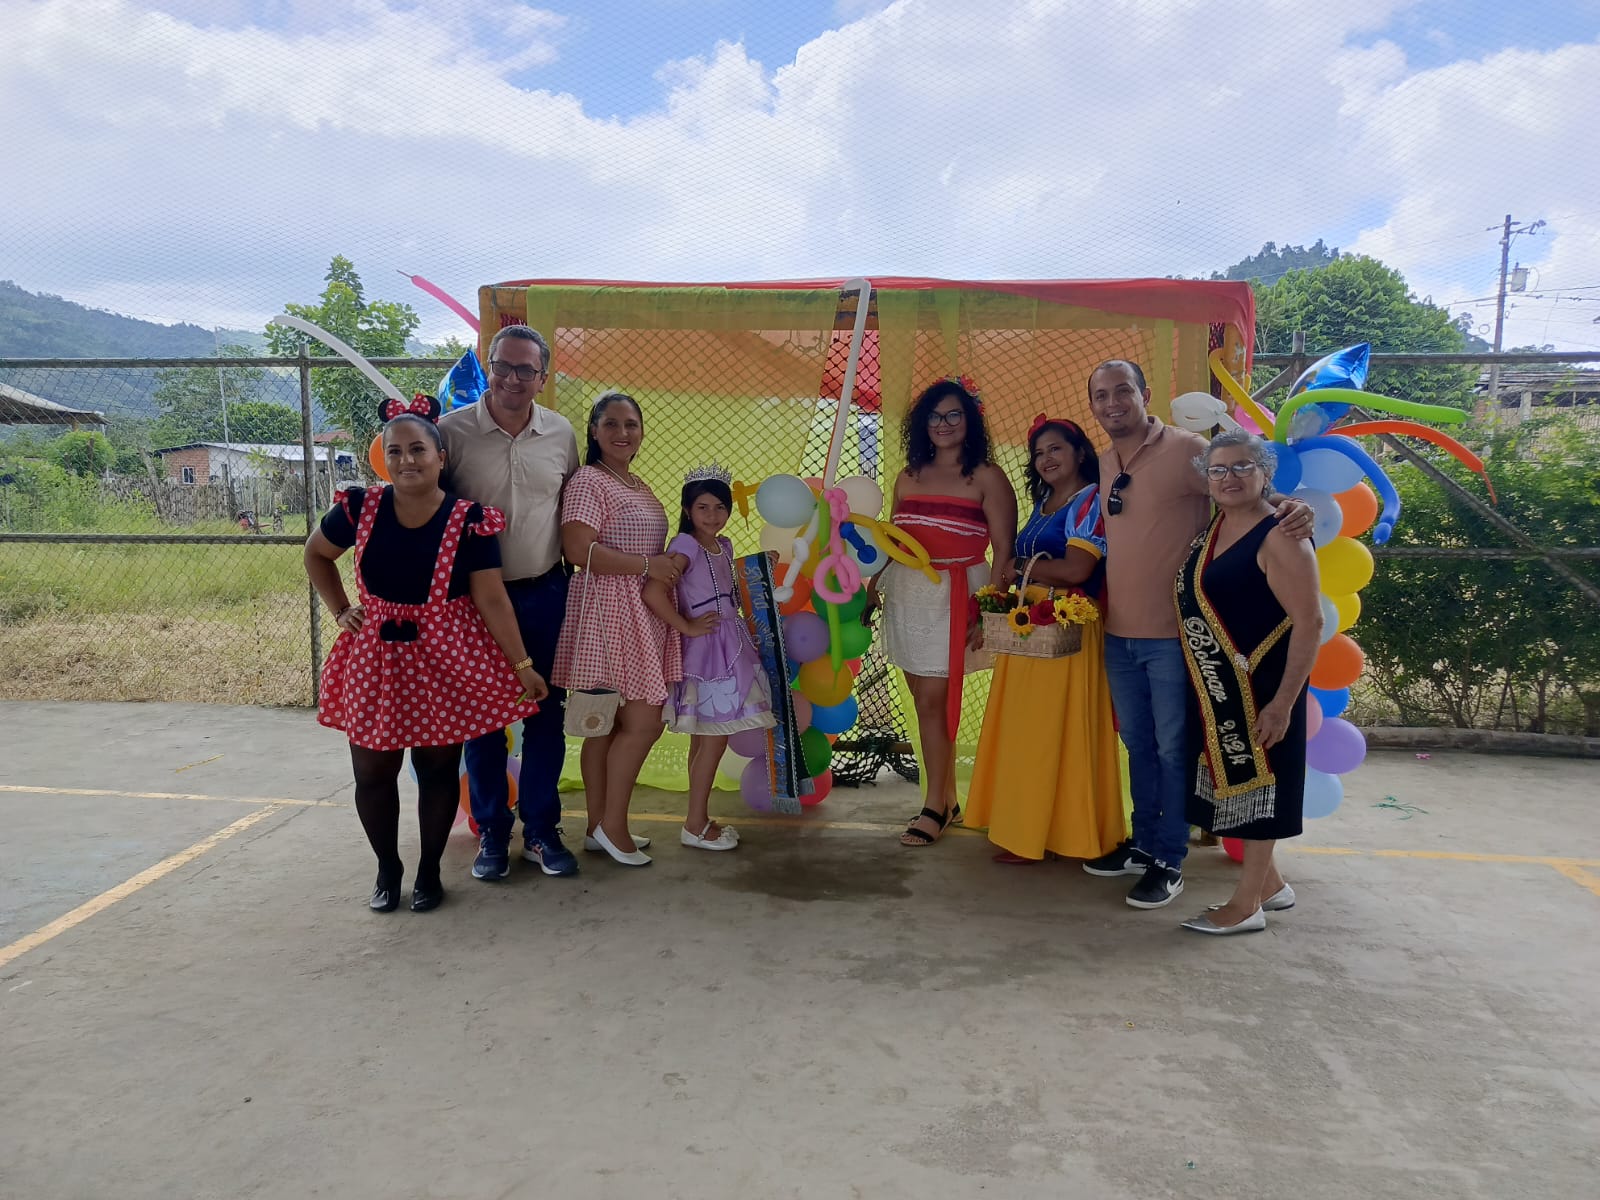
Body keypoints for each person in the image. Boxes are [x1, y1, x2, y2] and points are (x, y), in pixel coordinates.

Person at [1081, 360, 1314, 910]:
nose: (1112, 403)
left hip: (1174, 639)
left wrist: (1291, 507)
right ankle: (1144, 843)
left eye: (1123, 391)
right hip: (1119, 634)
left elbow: (1243, 487)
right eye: (1101, 395)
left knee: (1173, 751)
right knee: (1138, 745)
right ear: (1092, 405)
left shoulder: (1186, 448)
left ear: (1144, 394)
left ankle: (1169, 859)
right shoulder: (1104, 459)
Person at [305, 396, 549, 913]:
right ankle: (387, 869)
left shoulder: (469, 521)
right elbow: (316, 554)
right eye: (395, 451)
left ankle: (429, 871)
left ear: (441, 457)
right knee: (373, 773)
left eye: (418, 449)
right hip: (375, 661)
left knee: (437, 771)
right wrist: (342, 609)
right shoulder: (359, 508)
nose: (406, 460)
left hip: (445, 661)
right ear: (383, 458)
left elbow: (491, 598)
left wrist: (522, 665)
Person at [439, 325, 582, 883]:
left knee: (547, 716)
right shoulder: (451, 433)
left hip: (547, 593)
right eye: (503, 365)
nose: (512, 378)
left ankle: (542, 831)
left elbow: (572, 508)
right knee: (484, 721)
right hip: (475, 603)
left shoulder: (561, 433)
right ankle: (492, 832)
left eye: (526, 369)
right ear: (488, 365)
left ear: (542, 378)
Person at [1175, 431, 1322, 935]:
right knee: (1234, 788)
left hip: (1265, 687)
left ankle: (1246, 906)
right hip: (1218, 687)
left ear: (1265, 474)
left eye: (1243, 467)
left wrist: (1283, 703)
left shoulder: (1281, 534)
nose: (1230, 477)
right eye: (1218, 469)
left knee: (1262, 790)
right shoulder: (1217, 527)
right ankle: (1272, 886)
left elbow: (1310, 622)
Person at [965, 416, 1124, 864]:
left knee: (1053, 733)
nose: (1046, 459)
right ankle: (1028, 828)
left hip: (1066, 626)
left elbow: (1077, 569)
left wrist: (1019, 568)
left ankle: (1054, 834)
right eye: (1038, 453)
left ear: (1079, 453)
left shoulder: (1089, 500)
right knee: (1026, 732)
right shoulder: (1045, 503)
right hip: (1031, 627)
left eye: (1055, 449)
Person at [867, 377, 1016, 847]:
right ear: (922, 423)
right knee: (922, 698)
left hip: (956, 596)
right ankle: (947, 798)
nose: (944, 424)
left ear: (970, 420)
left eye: (953, 414)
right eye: (934, 416)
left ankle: (933, 805)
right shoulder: (908, 476)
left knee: (934, 701)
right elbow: (894, 541)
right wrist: (873, 586)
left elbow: (1004, 552)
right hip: (906, 596)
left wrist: (988, 611)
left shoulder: (987, 476)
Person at [553, 391, 684, 867]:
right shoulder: (589, 480)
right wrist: (648, 565)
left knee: (611, 726)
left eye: (631, 424)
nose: (622, 432)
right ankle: (612, 826)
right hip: (608, 612)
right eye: (611, 423)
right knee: (635, 723)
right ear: (593, 431)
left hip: (642, 612)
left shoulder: (635, 482)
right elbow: (578, 550)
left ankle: (597, 828)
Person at [643, 466, 776, 851]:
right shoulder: (685, 545)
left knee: (706, 739)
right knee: (713, 739)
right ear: (687, 510)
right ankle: (695, 824)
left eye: (720, 507)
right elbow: (653, 592)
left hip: (730, 642)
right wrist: (685, 626)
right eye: (703, 507)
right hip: (709, 650)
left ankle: (697, 817)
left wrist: (760, 564)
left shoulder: (723, 545)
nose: (713, 515)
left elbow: (723, 585)